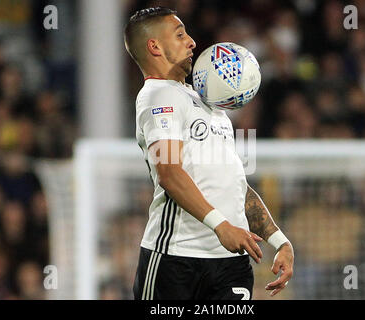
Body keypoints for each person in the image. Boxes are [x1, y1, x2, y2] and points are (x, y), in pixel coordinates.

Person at [124, 7, 294, 300]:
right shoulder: (158, 95)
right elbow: (169, 173)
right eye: (180, 35)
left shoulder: (210, 106)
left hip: (231, 262)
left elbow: (237, 187)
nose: (191, 42)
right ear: (154, 46)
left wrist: (279, 241)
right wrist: (221, 226)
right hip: (177, 258)